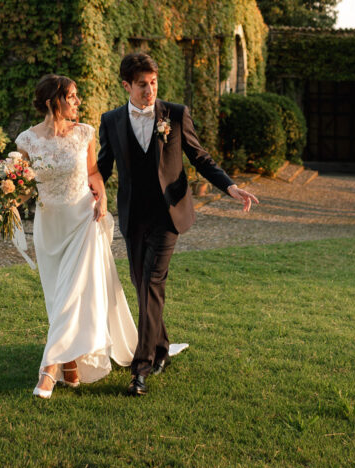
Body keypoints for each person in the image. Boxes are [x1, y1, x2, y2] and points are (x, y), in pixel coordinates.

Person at [93, 52, 258, 396]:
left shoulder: (177, 115)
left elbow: (200, 158)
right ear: (126, 85)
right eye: (142, 85)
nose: (149, 91)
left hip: (169, 215)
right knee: (143, 287)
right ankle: (163, 347)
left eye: (153, 83)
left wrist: (230, 186)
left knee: (151, 284)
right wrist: (84, 199)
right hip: (133, 216)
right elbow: (103, 168)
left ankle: (141, 369)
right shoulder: (110, 121)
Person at [16, 74, 137, 399]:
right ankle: (70, 365)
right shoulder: (27, 140)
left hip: (82, 220)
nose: (78, 102)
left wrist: (104, 198)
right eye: (72, 96)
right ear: (54, 101)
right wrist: (4, 198)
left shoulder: (84, 133)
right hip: (49, 226)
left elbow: (93, 172)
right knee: (58, 299)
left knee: (71, 295)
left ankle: (49, 371)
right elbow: (23, 185)